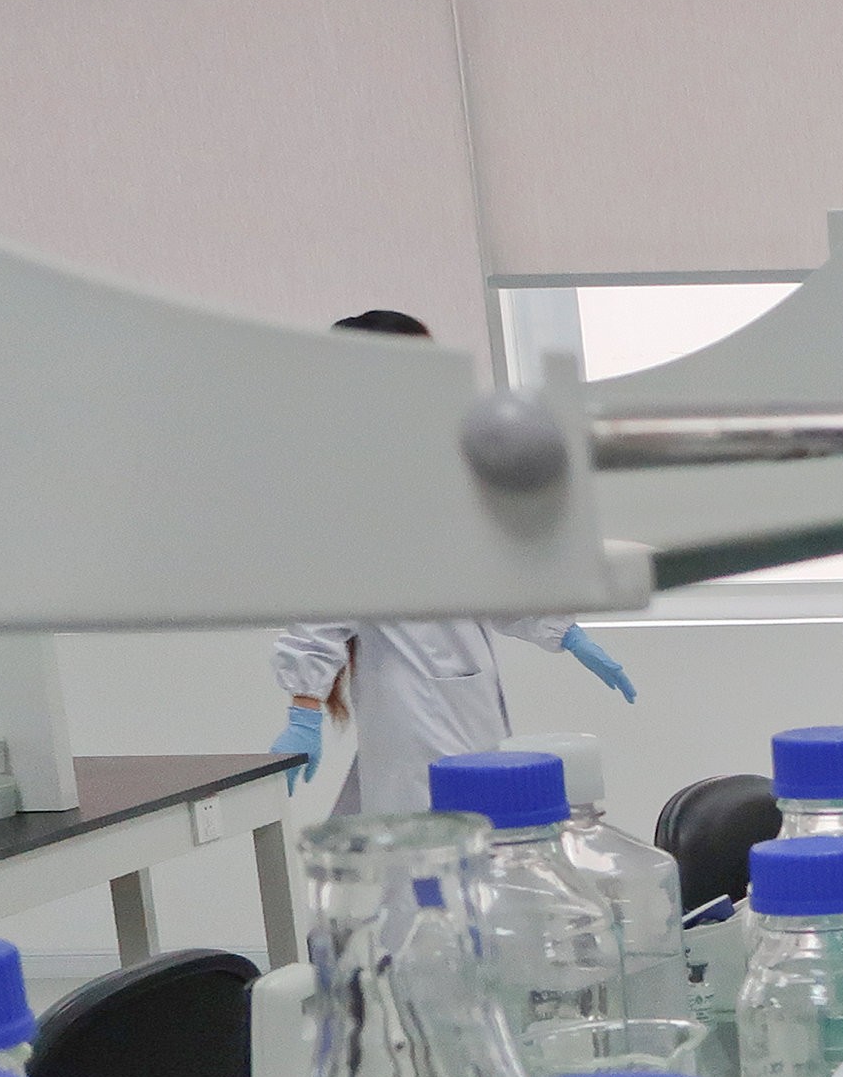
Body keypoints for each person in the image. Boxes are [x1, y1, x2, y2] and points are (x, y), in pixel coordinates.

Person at [267, 309, 638, 813]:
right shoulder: (358, 479)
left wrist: (562, 631)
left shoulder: (427, 461)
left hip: (458, 690)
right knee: (434, 843)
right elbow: (329, 602)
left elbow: (476, 576)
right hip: (415, 696)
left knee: (446, 838)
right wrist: (305, 708)